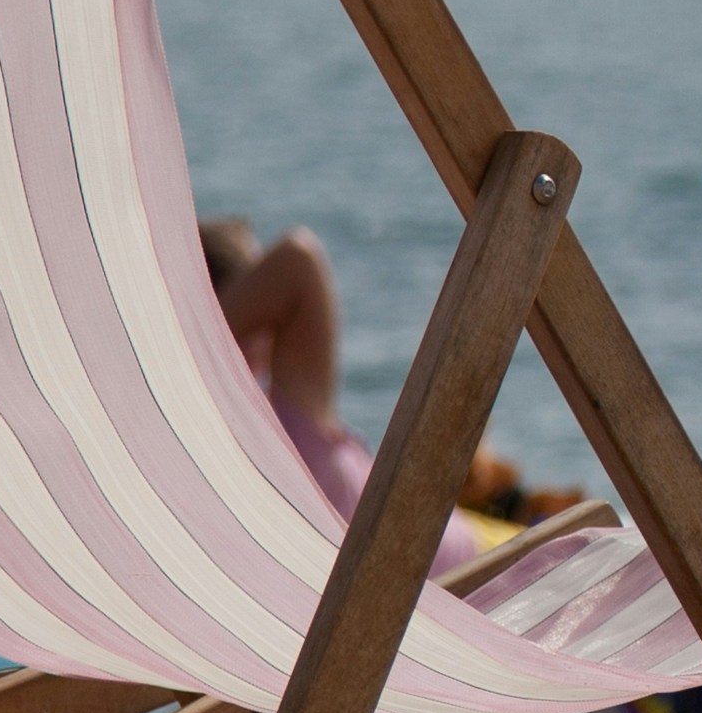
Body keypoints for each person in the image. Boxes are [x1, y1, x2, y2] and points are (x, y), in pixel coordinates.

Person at [199, 217, 582, 575]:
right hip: (486, 577)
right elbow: (300, 259)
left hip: (483, 547)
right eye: (256, 287)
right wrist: (185, 340)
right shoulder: (281, 426)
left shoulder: (262, 426)